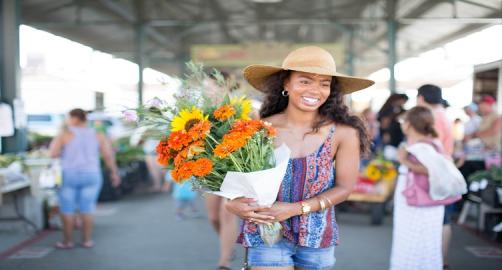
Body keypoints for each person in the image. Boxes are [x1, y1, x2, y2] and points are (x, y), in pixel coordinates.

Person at [225, 46, 373, 270]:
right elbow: (236, 178)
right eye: (305, 81)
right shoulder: (258, 128)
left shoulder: (344, 132)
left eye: (324, 83)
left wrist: (296, 209)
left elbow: (345, 188)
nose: (315, 90)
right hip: (265, 232)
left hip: (317, 236)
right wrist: (231, 204)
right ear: (286, 83)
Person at [49, 108, 121, 249]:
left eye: (68, 118)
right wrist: (114, 172)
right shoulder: (98, 134)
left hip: (69, 174)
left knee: (67, 208)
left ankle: (68, 242)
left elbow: (52, 153)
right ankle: (87, 240)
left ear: (75, 119)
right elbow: (108, 155)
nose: (66, 121)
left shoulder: (65, 134)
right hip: (92, 174)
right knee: (87, 208)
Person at [391, 106, 445, 270]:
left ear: (408, 124)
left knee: (411, 243)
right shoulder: (430, 144)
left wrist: (404, 161)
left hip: (418, 204)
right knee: (423, 243)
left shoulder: (423, 147)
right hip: (424, 201)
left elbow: (432, 170)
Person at [203, 70, 240, 270]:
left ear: (225, 86)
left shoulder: (239, 108)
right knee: (213, 217)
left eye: (212, 85)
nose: (207, 89)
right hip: (211, 170)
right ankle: (228, 245)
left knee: (226, 214)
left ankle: (223, 262)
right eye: (205, 86)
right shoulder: (200, 112)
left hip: (236, 169)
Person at [416, 84, 454, 269]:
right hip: (443, 169)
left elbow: (431, 149)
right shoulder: (442, 113)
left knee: (441, 218)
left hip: (437, 172)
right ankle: (441, 261)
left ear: (421, 98)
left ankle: (439, 261)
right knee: (443, 218)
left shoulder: (433, 116)